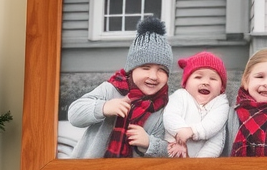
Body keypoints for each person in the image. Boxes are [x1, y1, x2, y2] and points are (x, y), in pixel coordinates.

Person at [68, 16, 172, 158]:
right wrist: (103, 108)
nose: (153, 76)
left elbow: (171, 151)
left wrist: (150, 143)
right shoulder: (110, 89)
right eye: (146, 67)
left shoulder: (163, 108)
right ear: (132, 69)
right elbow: (74, 114)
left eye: (162, 70)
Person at [163, 51, 229, 157]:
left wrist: (193, 131)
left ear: (221, 88)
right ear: (186, 83)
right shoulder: (180, 96)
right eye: (198, 77)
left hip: (204, 158)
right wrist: (180, 132)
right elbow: (170, 116)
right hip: (175, 147)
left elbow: (214, 125)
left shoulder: (221, 104)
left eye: (213, 78)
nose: (206, 82)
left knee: (215, 143)